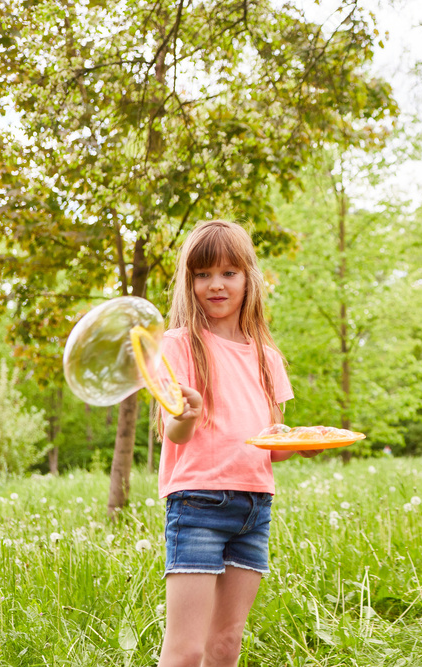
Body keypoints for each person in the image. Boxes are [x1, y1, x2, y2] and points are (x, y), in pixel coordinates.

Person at [156, 219, 317, 667]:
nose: (216, 284)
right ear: (189, 282)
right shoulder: (178, 345)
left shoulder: (268, 358)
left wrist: (302, 443)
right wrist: (185, 415)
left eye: (229, 273)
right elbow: (174, 433)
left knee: (225, 644)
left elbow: (273, 446)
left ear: (249, 278)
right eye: (203, 274)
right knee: (186, 650)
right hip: (197, 504)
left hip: (254, 508)